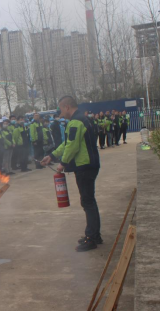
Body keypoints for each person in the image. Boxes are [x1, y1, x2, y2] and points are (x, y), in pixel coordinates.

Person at [41, 96, 101, 252]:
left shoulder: (76, 122)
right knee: (89, 200)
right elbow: (67, 144)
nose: (60, 112)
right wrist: (52, 156)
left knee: (87, 202)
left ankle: (91, 238)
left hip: (84, 166)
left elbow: (72, 147)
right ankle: (95, 235)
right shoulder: (80, 119)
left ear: (67, 107)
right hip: (89, 165)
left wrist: (62, 163)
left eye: (61, 109)